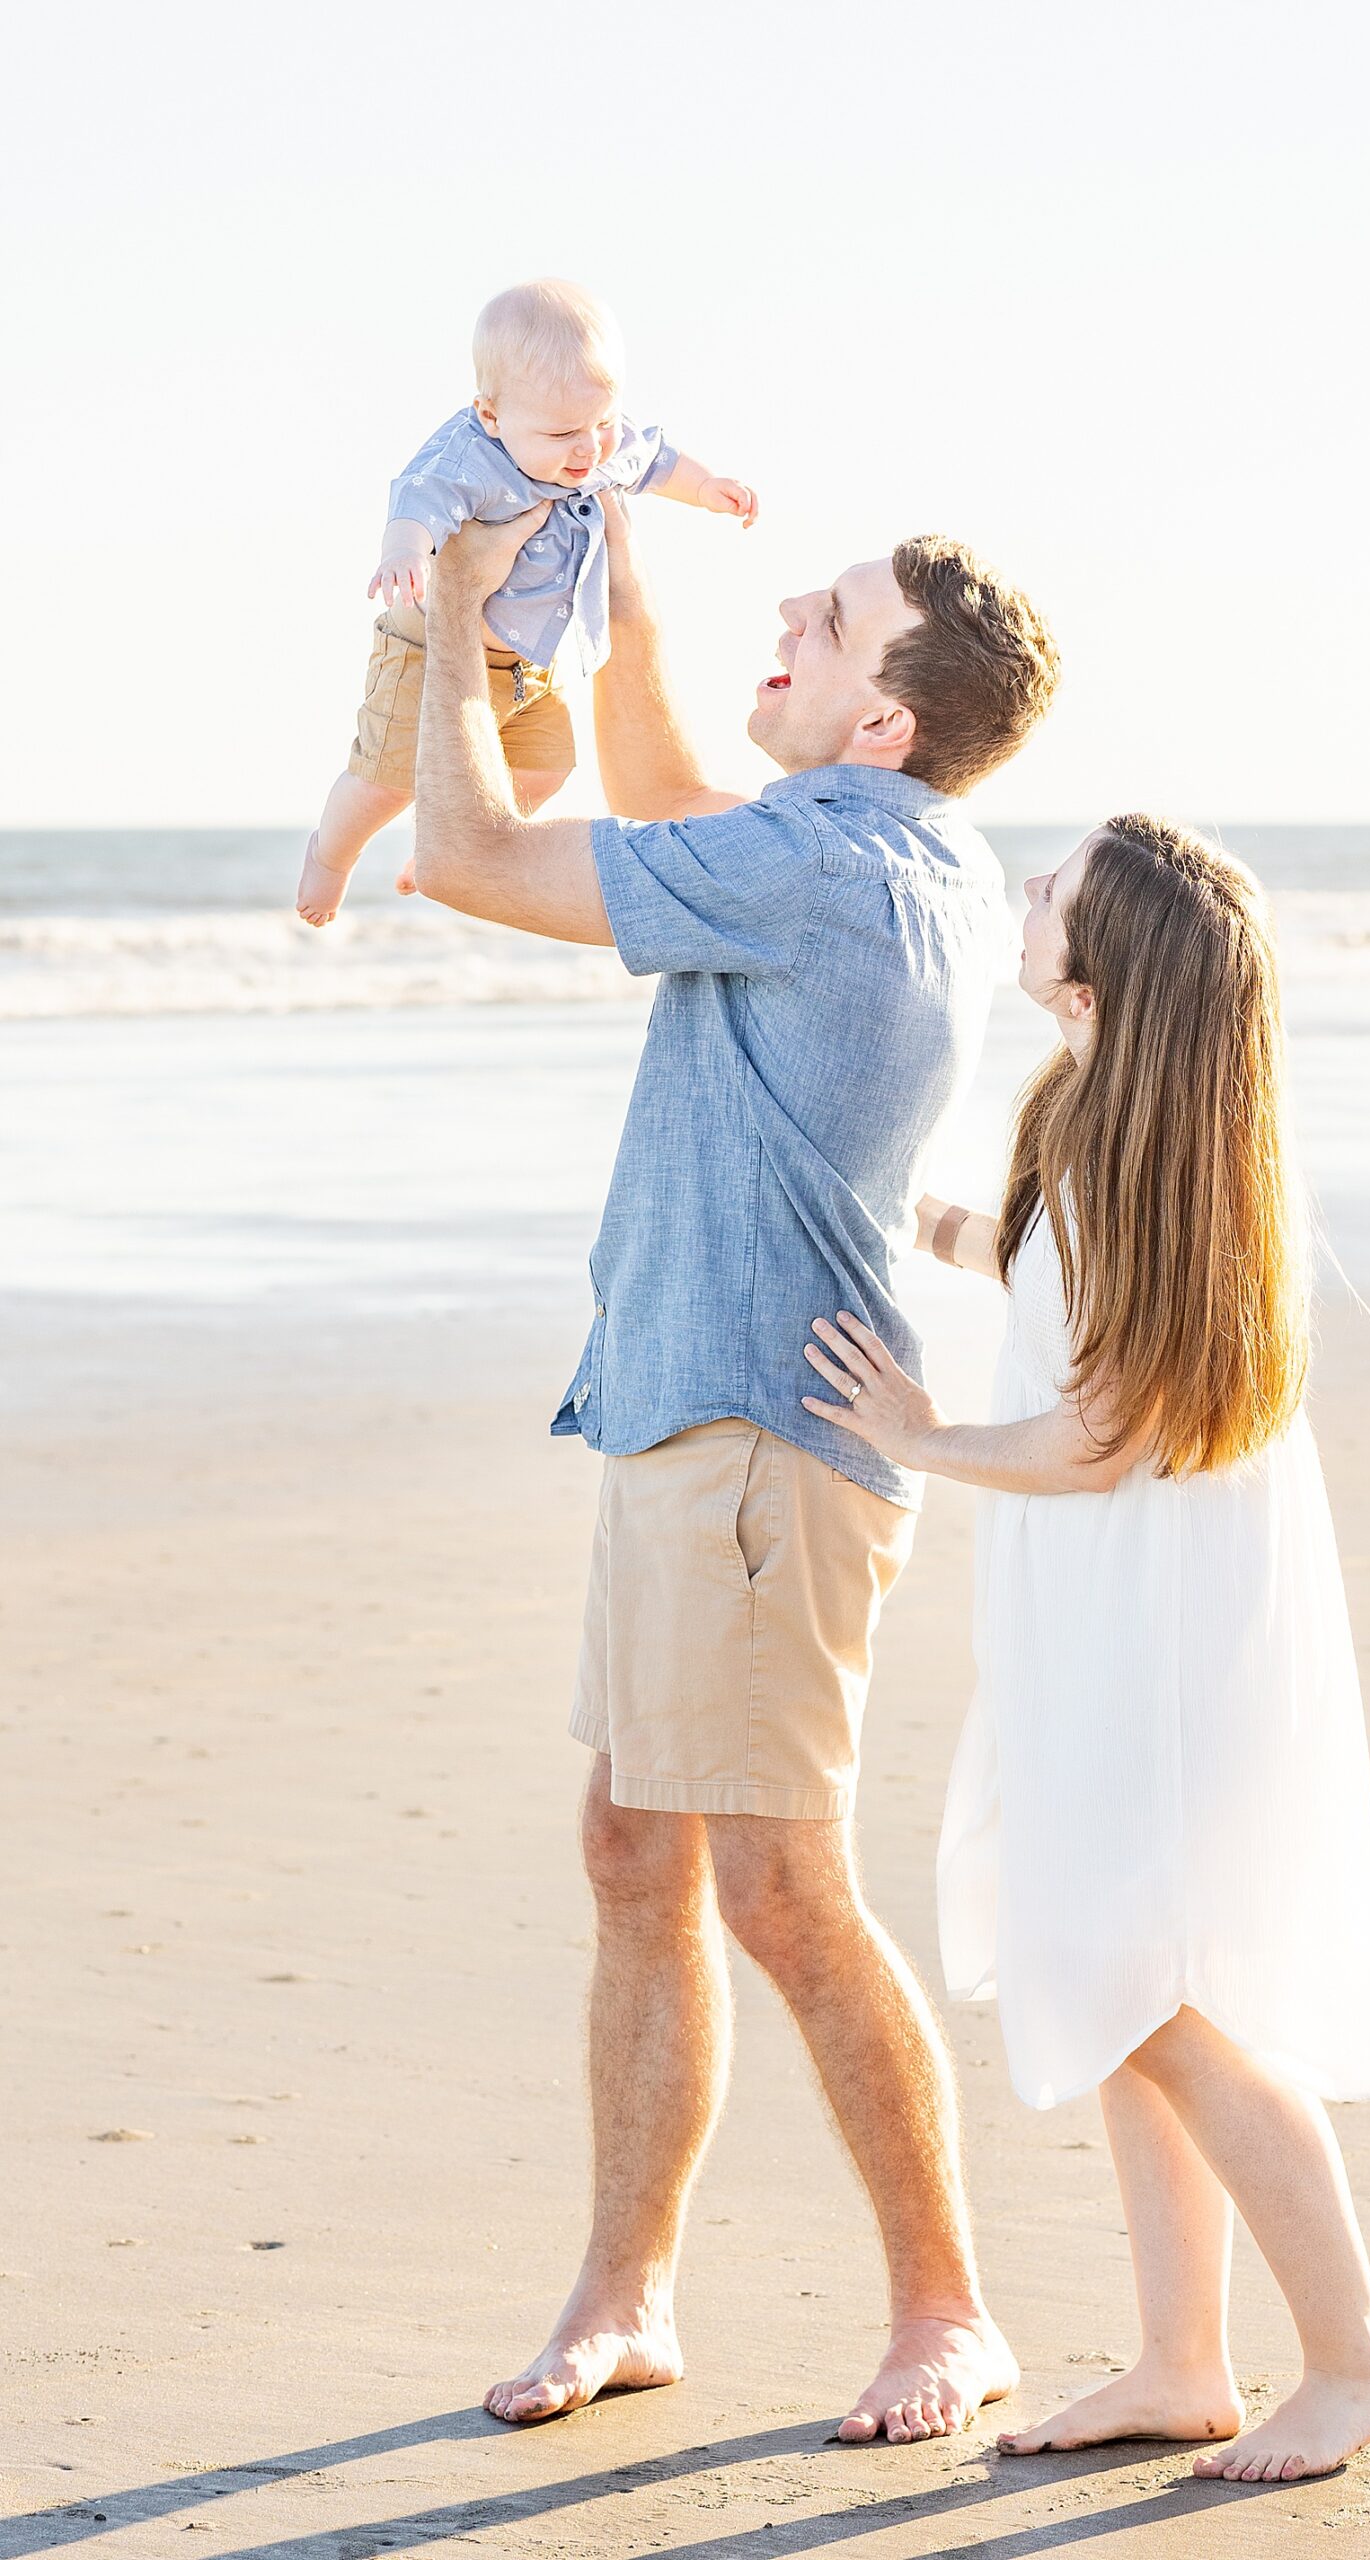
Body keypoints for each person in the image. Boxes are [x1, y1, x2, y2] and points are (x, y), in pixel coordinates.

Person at [406, 488, 1060, 2442]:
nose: (794, 606)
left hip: (766, 1440)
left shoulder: (832, 868)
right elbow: (672, 779)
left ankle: (949, 2307)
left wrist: (454, 612)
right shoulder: (872, 838)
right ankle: (630, 2291)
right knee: (637, 1846)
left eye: (832, 618)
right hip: (697, 1408)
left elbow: (460, 852)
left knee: (774, 1885)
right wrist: (605, 579)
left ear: (879, 720)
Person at [801, 816, 1370, 2485]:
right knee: (1136, 1978)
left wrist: (918, 1434)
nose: (1024, 896)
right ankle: (1180, 2358)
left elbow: (1089, 1440)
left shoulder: (1135, 1158)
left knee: (1139, 1989)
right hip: (1128, 1609)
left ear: (1103, 965)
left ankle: (1352, 2359)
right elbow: (1038, 1268)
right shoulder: (1108, 1127)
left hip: (1150, 1625)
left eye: (1052, 889)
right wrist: (915, 1219)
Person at [297, 277, 756, 925]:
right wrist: (403, 550)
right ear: (491, 415)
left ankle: (449, 845)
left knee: (544, 772)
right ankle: (329, 856)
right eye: (563, 432)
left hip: (531, 660)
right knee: (385, 779)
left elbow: (656, 460)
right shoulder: (472, 456)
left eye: (601, 422)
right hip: (432, 651)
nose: (588, 449)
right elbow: (417, 498)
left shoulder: (599, 441)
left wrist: (708, 487)